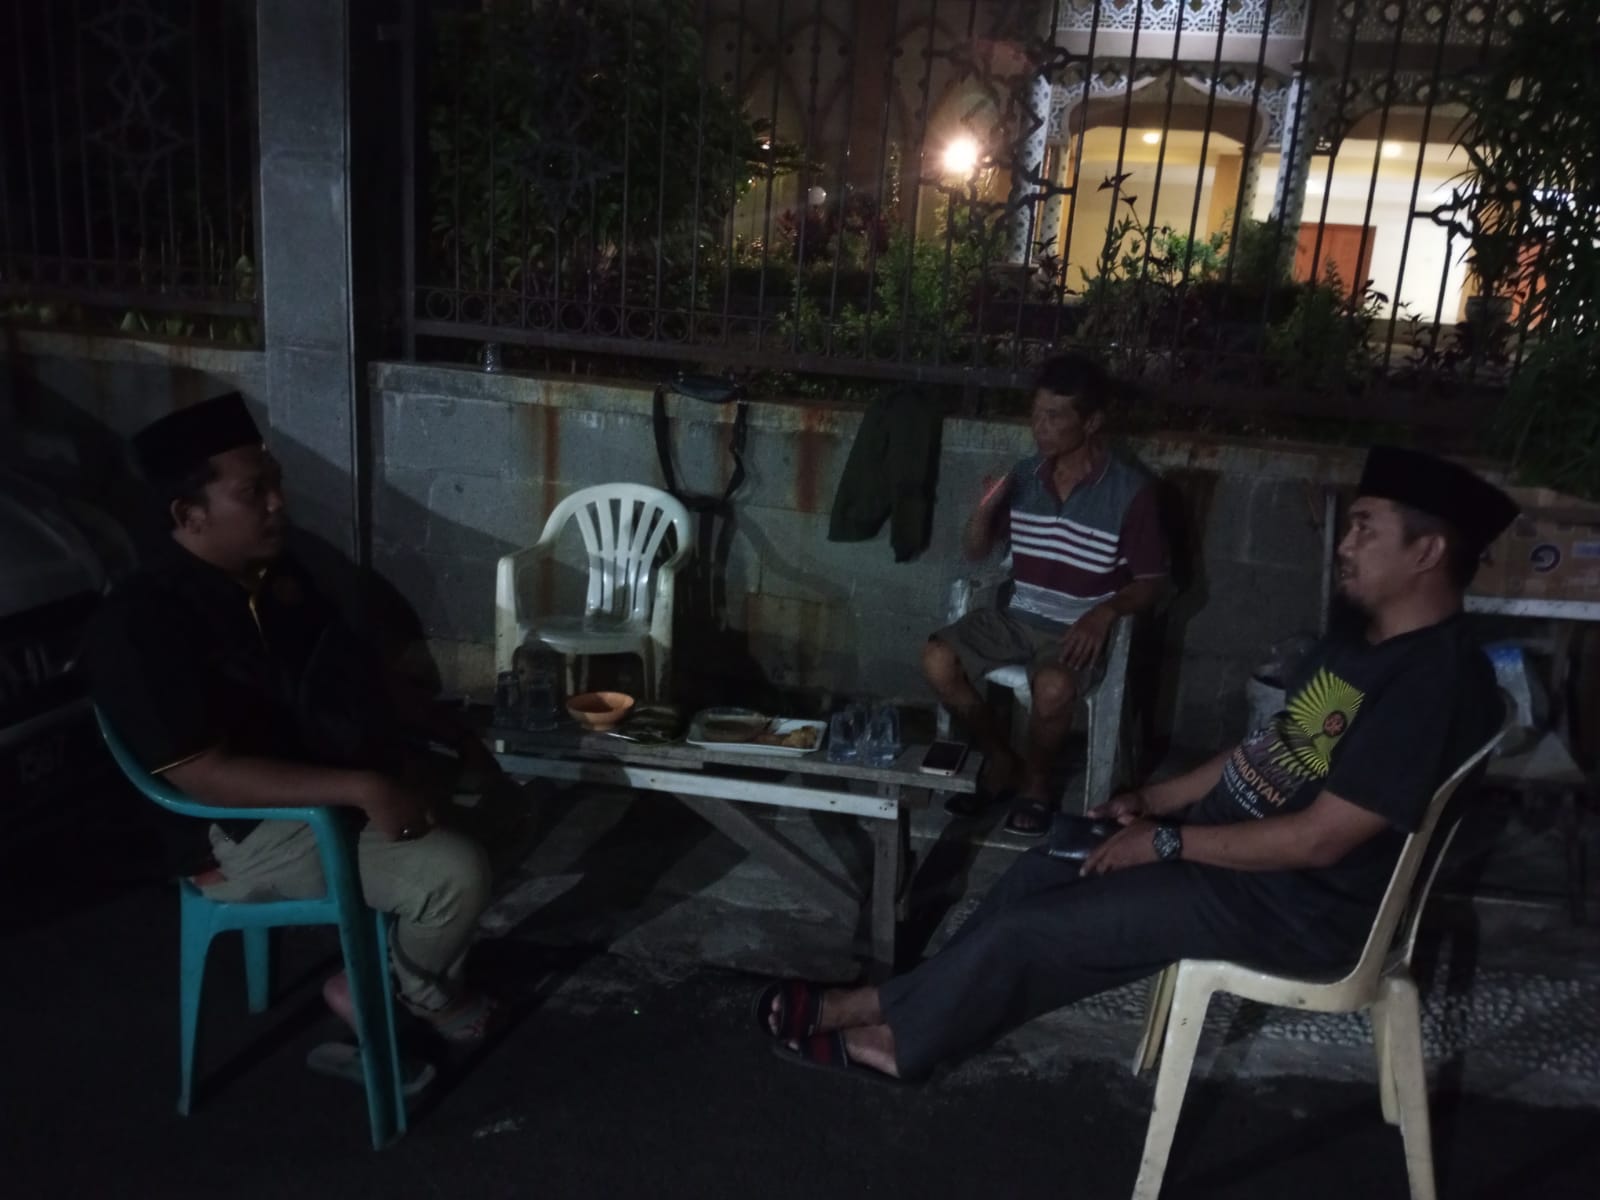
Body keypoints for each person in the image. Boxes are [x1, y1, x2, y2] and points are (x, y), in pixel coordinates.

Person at [758, 446, 1516, 1082]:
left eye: (1364, 528)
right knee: (1043, 865)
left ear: (1426, 551)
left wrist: (1167, 842)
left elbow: (1321, 840)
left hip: (1292, 907)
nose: (1344, 544)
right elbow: (1265, 752)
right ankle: (893, 1006)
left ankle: (898, 1037)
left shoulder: (1433, 684)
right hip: (1230, 864)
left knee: (1039, 929)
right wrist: (1153, 801)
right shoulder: (1362, 643)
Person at [86, 393, 508, 1060]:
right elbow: (203, 774)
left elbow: (361, 675)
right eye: (253, 492)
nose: (278, 503)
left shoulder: (275, 578)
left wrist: (457, 738)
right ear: (189, 515)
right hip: (243, 831)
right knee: (453, 873)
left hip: (329, 780)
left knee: (503, 807)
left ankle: (376, 978)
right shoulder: (144, 620)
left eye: (275, 482)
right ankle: (421, 994)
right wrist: (365, 788)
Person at [924, 353, 1168, 836]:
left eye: (1054, 417)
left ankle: (1036, 786)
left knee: (1054, 687)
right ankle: (1000, 758)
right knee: (936, 659)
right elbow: (975, 552)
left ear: (1091, 422)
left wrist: (1105, 612)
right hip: (1017, 616)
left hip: (1075, 629)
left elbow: (1152, 582)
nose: (1040, 428)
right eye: (1035, 415)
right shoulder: (1025, 475)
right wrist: (983, 511)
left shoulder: (1130, 492)